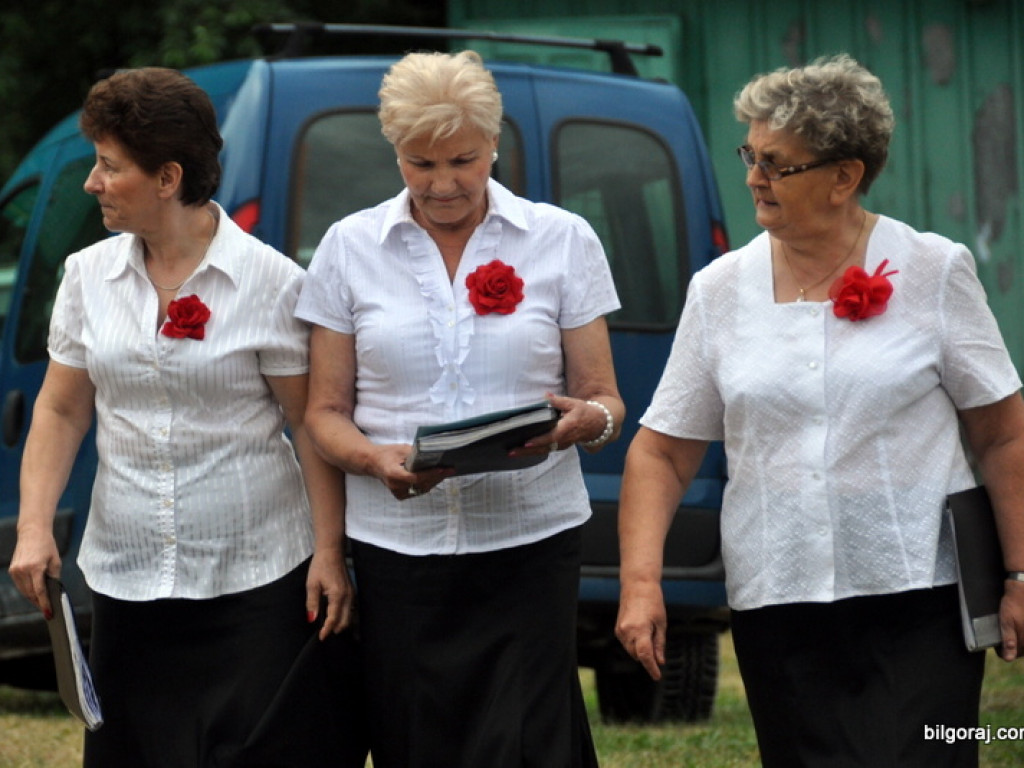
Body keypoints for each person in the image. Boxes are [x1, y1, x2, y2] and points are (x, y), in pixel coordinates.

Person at [615, 54, 1024, 767]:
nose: (753, 178)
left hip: (917, 596)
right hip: (779, 599)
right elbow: (662, 450)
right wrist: (641, 583)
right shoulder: (718, 291)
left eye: (778, 164)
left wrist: (1020, 575)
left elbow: (1002, 434)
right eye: (751, 155)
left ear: (845, 177)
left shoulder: (934, 268)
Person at [8, 67, 365, 768]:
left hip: (259, 575)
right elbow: (59, 409)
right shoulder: (85, 277)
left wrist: (329, 554)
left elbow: (309, 427)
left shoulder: (272, 283)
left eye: (110, 167)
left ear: (167, 177)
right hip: (127, 575)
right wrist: (31, 529)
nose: (92, 183)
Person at [295, 49, 625, 768]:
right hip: (397, 546)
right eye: (421, 164)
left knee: (530, 740)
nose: (443, 184)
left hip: (531, 541)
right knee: (418, 735)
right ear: (394, 154)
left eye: (464, 161)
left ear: (495, 145)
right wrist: (374, 458)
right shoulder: (348, 249)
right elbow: (323, 411)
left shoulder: (562, 239)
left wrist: (583, 424)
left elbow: (605, 400)